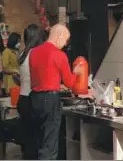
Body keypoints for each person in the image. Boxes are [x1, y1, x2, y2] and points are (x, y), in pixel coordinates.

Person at [26, 23, 83, 159]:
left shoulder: (33, 52)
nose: (65, 44)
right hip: (50, 101)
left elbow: (40, 76)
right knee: (49, 144)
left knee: (38, 141)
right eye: (65, 40)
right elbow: (69, 83)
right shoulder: (59, 54)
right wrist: (75, 73)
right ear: (59, 35)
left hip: (34, 99)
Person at [16, 24, 45, 159]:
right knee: (37, 141)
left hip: (22, 99)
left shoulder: (23, 55)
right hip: (34, 100)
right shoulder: (38, 55)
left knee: (27, 140)